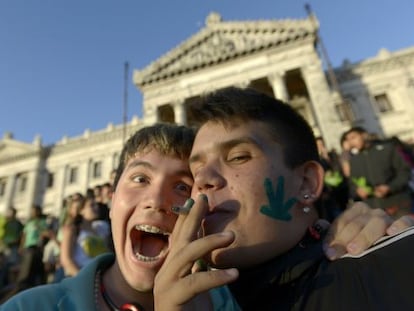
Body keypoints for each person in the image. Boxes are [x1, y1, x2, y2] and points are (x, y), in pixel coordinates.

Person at [1, 123, 411, 310]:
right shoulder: (28, 308)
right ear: (111, 198)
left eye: (183, 186)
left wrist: (326, 234)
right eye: (139, 177)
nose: (157, 200)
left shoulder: (237, 298)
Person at [154, 87, 414, 310]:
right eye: (195, 171)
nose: (202, 181)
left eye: (238, 157)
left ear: (307, 182)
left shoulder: (398, 270)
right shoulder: (194, 303)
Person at [345, 126, 412, 218]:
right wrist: (358, 191)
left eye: (353, 137)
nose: (351, 142)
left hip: (399, 205)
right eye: (348, 140)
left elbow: (405, 172)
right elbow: (352, 184)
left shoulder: (387, 149)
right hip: (375, 212)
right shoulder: (354, 160)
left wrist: (389, 187)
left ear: (364, 135)